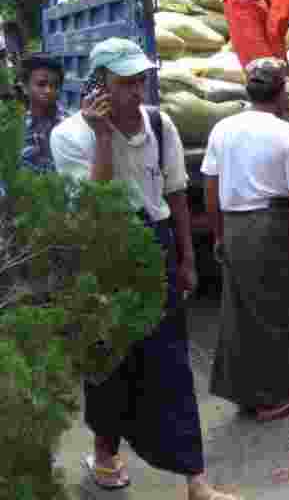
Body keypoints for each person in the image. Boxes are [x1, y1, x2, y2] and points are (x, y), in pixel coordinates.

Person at [50, 38, 237, 500]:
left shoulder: (160, 121)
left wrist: (187, 258)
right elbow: (98, 203)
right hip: (105, 248)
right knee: (109, 362)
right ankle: (105, 454)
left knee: (170, 362)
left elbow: (175, 193)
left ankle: (196, 479)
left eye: (140, 81)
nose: (136, 92)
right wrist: (103, 138)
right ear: (99, 87)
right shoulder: (68, 136)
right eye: (124, 83)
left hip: (156, 246)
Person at [202, 57, 289, 423]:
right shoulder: (287, 134)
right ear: (282, 93)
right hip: (269, 225)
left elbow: (210, 186)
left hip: (235, 226)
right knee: (275, 312)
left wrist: (219, 233)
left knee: (238, 313)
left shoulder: (223, 129)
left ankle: (244, 393)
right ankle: (276, 399)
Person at [20, 54, 69, 174]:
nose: (48, 90)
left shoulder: (70, 126)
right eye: (41, 84)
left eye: (55, 85)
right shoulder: (16, 129)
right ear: (25, 88)